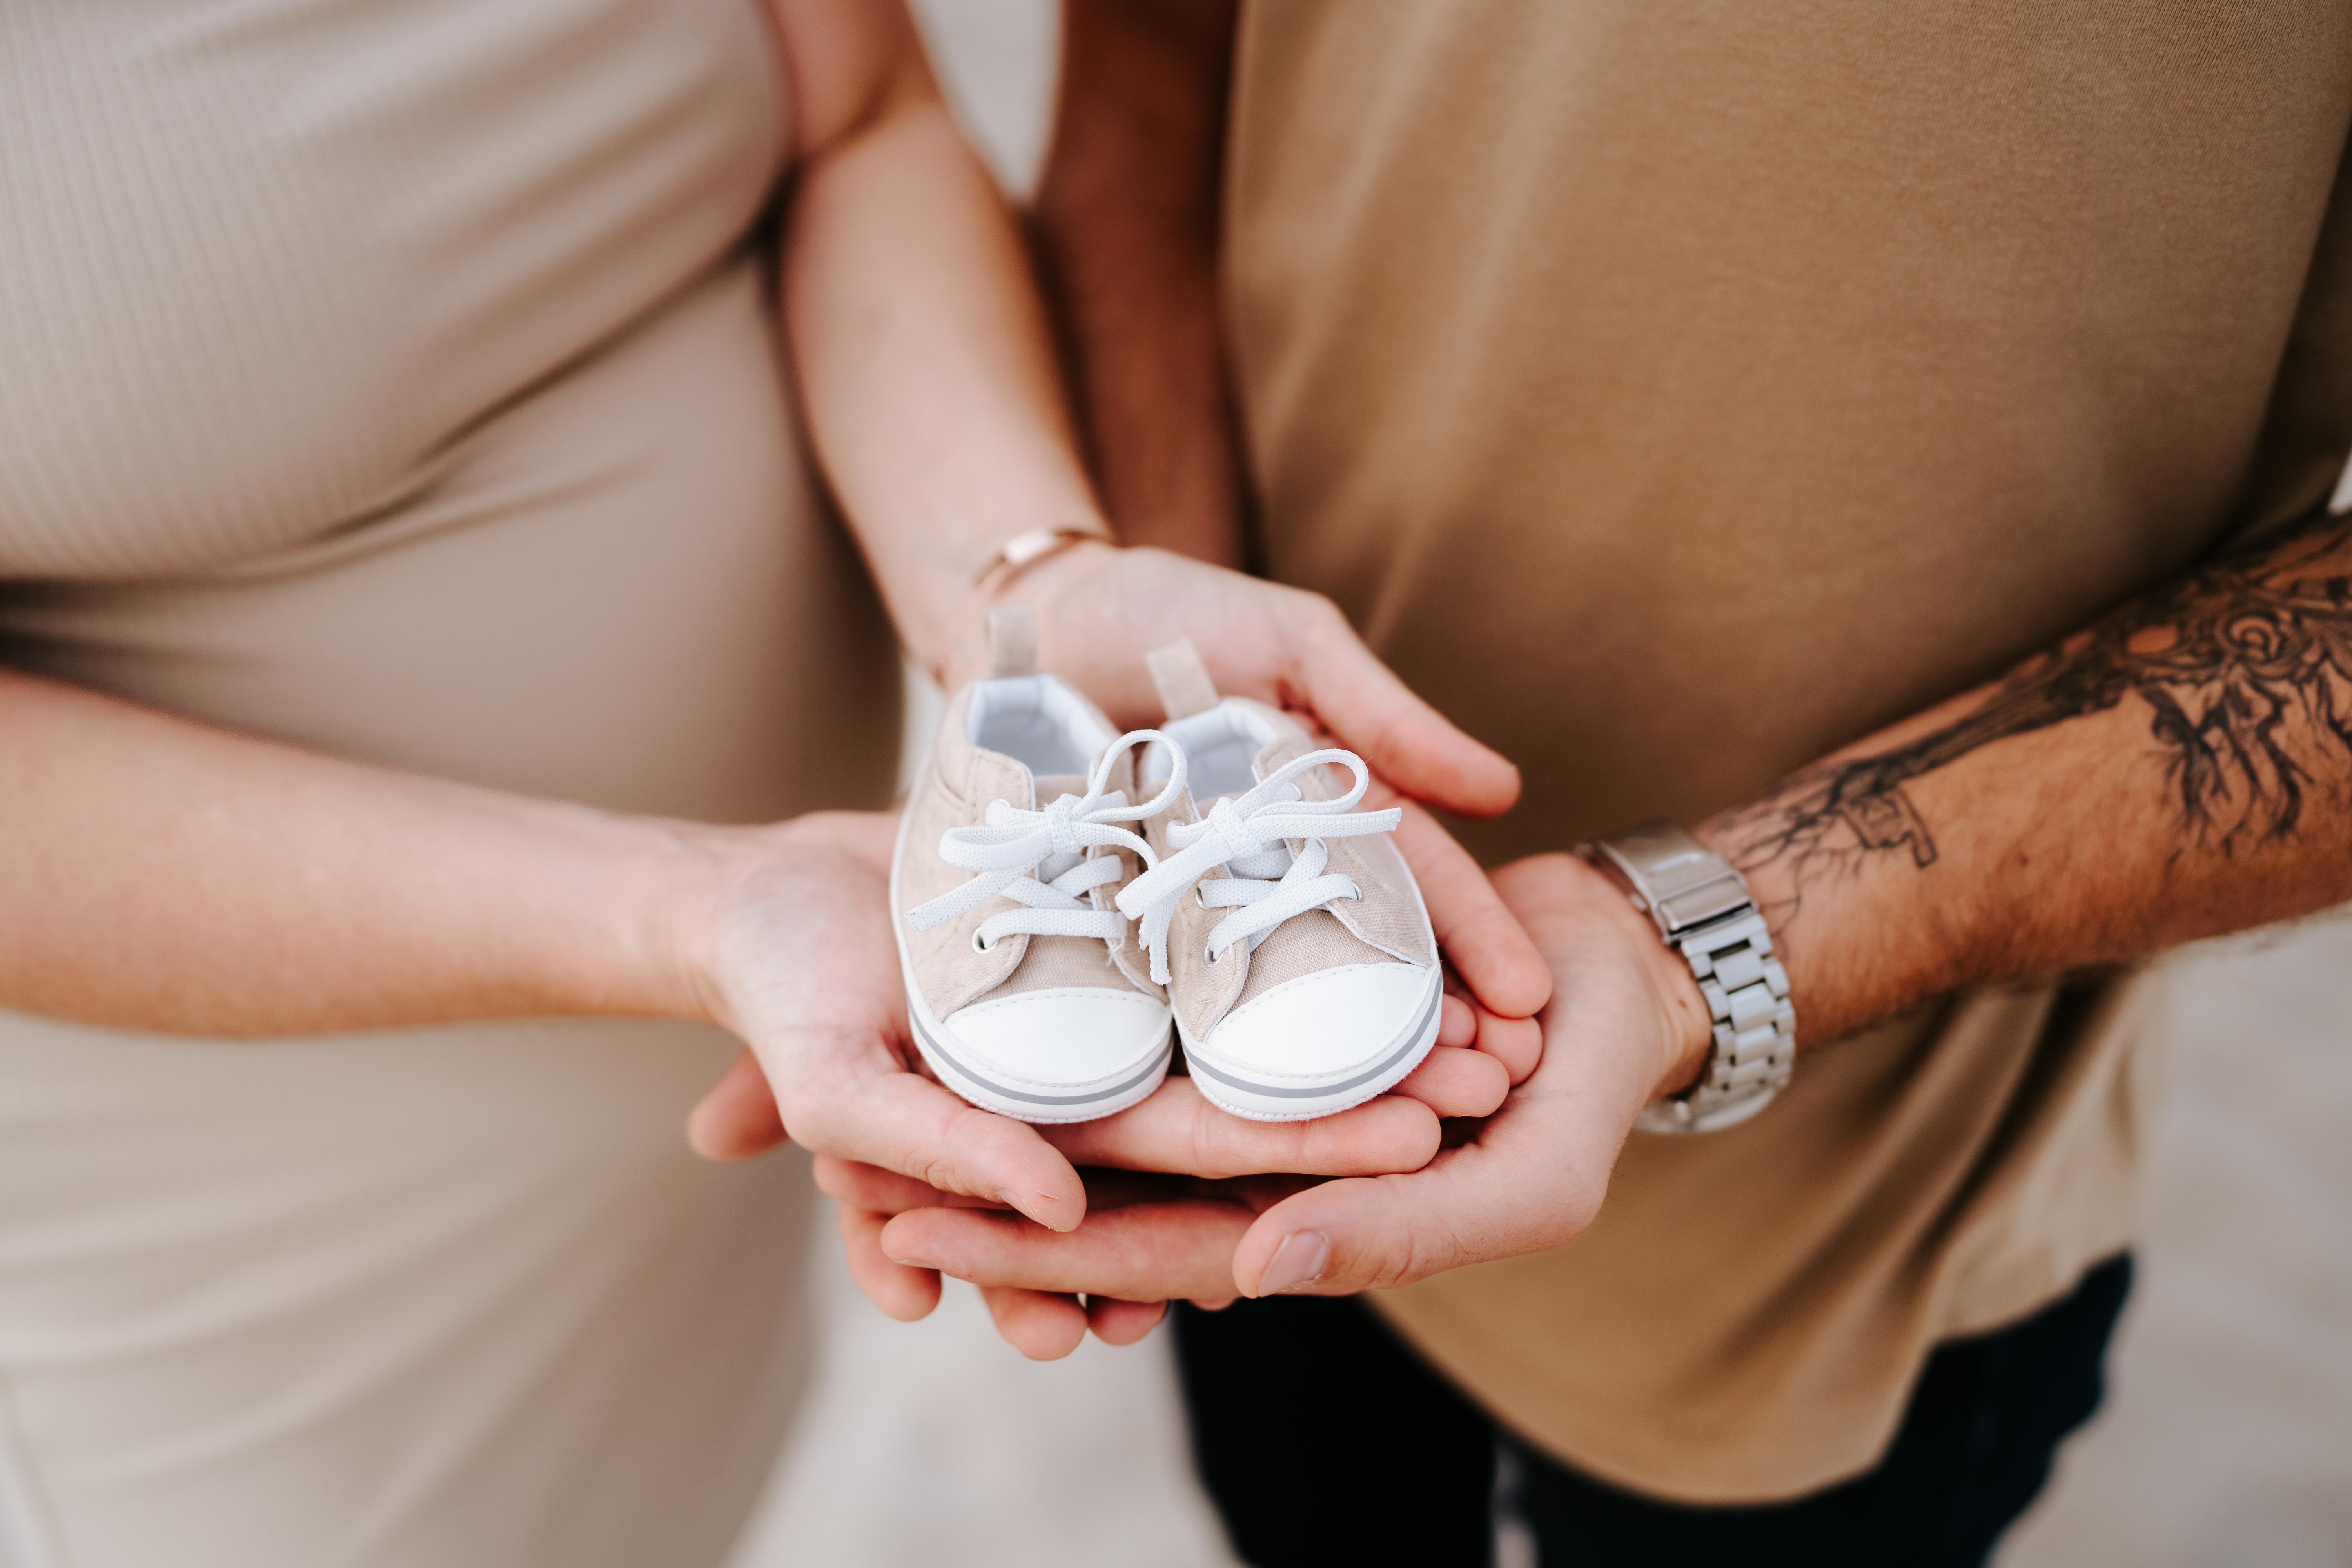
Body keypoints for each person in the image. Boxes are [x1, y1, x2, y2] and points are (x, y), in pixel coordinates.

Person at [0, 1, 1543, 1562]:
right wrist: (691, 904)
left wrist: (1032, 589)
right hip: (254, 1216)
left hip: (696, 1150)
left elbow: (862, 116)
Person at [825, 2, 2352, 1563]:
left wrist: (1704, 932)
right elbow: (1153, 66)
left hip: (1867, 1192)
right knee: (1299, 1509)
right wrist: (1176, 686)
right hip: (1251, 1047)